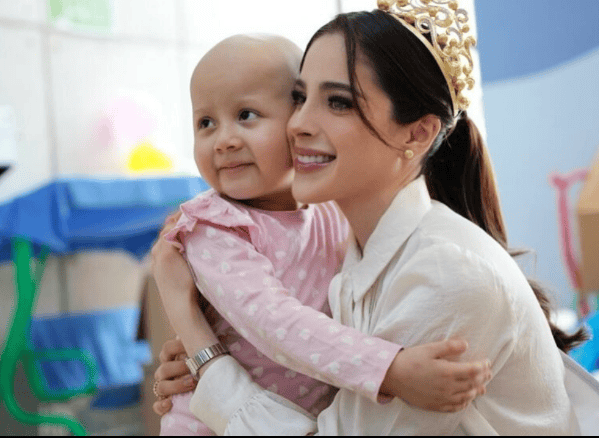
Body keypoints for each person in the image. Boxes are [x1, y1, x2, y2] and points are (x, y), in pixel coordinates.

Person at [153, 0, 599, 435]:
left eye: (338, 101)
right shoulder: (352, 244)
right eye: (301, 98)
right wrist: (208, 361)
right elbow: (276, 328)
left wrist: (203, 348)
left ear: (418, 132)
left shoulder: (445, 277)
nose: (299, 123)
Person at [151, 33, 492, 435]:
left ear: (296, 121)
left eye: (246, 115)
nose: (223, 140)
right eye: (205, 123)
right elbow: (274, 322)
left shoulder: (331, 210)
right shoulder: (215, 226)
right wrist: (390, 369)